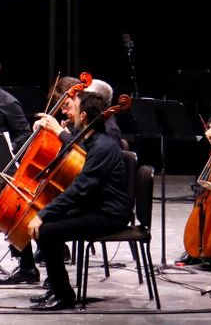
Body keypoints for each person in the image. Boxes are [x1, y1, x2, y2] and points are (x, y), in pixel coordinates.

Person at [25, 90, 133, 310]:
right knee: (45, 226)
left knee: (45, 229)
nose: (68, 111)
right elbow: (75, 145)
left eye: (72, 107)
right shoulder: (92, 139)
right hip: (94, 207)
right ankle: (57, 288)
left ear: (83, 115)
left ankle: (64, 295)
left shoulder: (102, 147)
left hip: (109, 214)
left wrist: (43, 213)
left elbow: (79, 190)